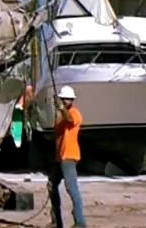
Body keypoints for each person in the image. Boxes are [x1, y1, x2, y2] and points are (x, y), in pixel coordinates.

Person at [49, 85, 87, 227]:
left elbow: (70, 120)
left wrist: (61, 108)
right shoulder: (60, 118)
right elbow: (56, 136)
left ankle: (80, 222)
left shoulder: (74, 113)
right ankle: (56, 222)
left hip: (69, 157)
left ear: (71, 100)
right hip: (60, 158)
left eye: (65, 99)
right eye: (62, 99)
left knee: (72, 188)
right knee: (51, 185)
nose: (63, 101)